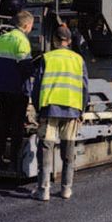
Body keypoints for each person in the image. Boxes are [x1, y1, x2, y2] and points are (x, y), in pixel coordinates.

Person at [31, 25, 88, 201]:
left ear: (54, 40)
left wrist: (38, 109)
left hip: (49, 109)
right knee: (68, 151)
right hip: (72, 110)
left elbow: (37, 87)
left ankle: (43, 191)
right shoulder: (79, 60)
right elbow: (85, 87)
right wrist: (82, 110)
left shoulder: (47, 58)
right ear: (69, 41)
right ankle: (66, 189)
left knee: (46, 149)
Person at [0, 10, 34, 171]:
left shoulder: (1, 38)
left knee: (2, 125)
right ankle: (14, 162)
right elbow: (25, 68)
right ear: (26, 25)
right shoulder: (22, 41)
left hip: (2, 89)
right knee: (17, 126)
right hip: (18, 90)